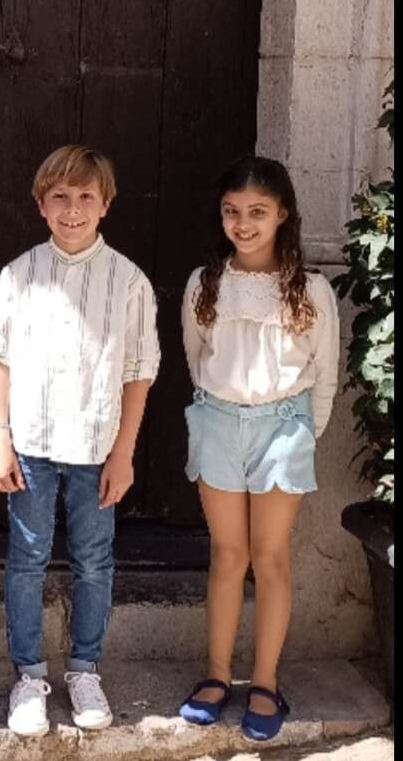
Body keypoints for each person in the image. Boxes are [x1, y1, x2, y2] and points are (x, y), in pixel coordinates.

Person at [0, 145, 160, 736]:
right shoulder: (19, 274)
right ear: (41, 204)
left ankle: (84, 669)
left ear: (106, 204)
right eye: (60, 196)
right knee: (27, 558)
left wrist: (124, 453)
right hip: (31, 442)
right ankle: (29, 676)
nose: (73, 209)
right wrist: (0, 438)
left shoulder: (128, 281)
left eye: (86, 196)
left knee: (93, 560)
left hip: (95, 445)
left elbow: (138, 371)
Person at [177, 156, 339, 742]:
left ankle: (265, 681)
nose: (243, 224)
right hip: (219, 422)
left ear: (283, 215)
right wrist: (220, 407)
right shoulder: (205, 283)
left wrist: (304, 435)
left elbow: (325, 371)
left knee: (270, 558)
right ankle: (217, 674)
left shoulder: (311, 290)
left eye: (257, 212)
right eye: (232, 212)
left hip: (284, 427)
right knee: (227, 554)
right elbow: (196, 354)